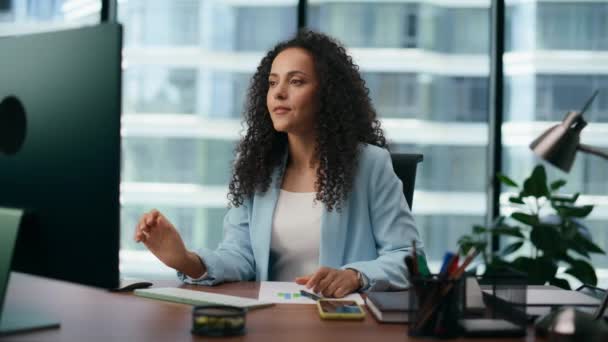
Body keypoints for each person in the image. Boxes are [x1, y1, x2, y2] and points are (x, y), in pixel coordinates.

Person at [134, 30, 423, 298]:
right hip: (272, 319)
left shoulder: (370, 164)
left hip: (342, 323)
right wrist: (187, 260)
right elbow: (240, 256)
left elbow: (408, 257)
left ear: (327, 94)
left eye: (296, 81)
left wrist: (356, 275)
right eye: (273, 82)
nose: (278, 93)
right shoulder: (258, 168)